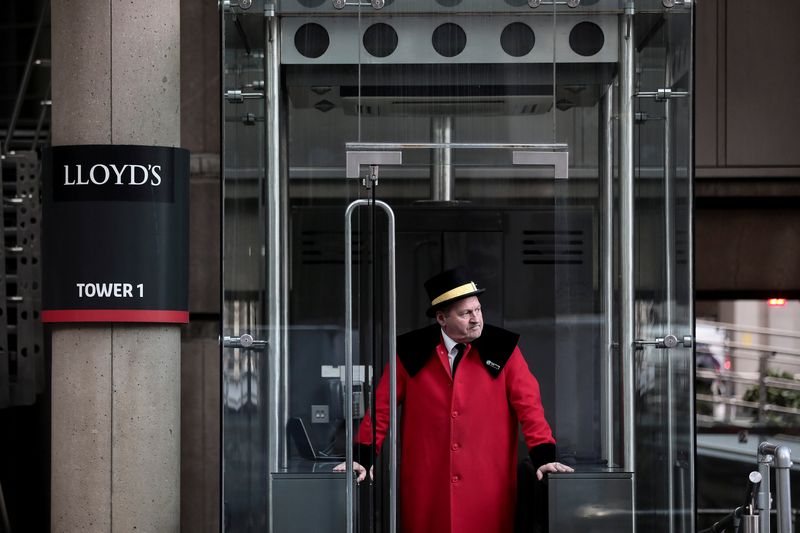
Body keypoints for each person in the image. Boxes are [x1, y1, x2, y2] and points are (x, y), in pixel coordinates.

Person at [335, 267, 572, 533]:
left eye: (478, 310)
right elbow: (381, 408)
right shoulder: (410, 352)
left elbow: (530, 408)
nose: (476, 319)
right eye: (465, 313)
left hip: (487, 486)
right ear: (441, 318)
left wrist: (544, 456)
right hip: (427, 487)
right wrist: (361, 456)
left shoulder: (503, 348)